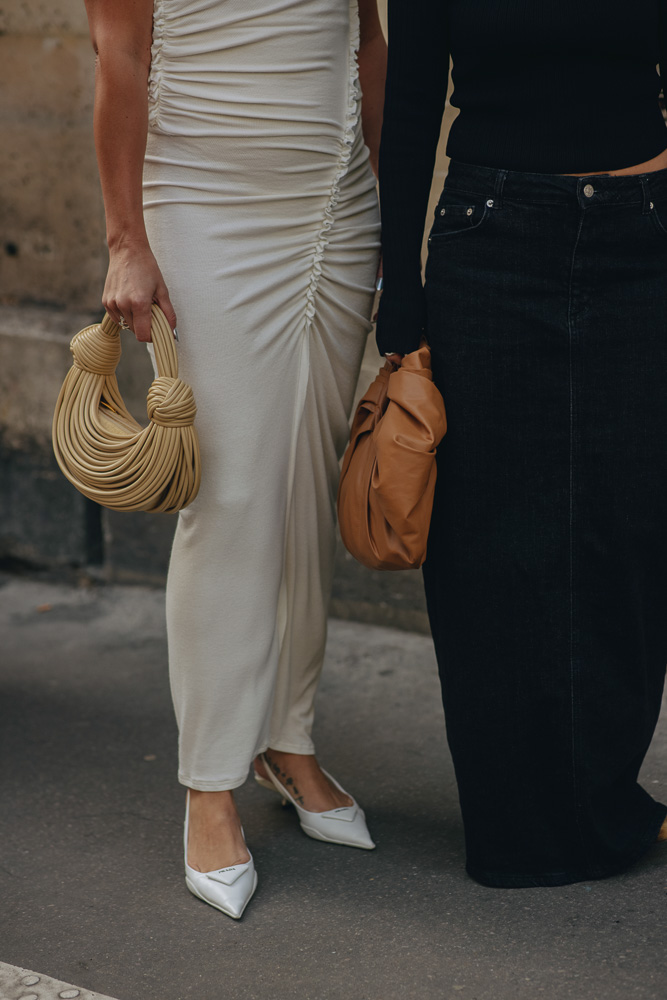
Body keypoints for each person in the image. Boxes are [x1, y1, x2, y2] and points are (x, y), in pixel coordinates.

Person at [83, 0, 385, 917]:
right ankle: (209, 783)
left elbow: (364, 35)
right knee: (232, 494)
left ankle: (285, 742)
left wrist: (386, 187)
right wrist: (126, 241)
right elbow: (120, 56)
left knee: (303, 487)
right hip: (209, 204)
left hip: (340, 208)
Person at [377, 0, 667, 887]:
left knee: (627, 532)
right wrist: (401, 296)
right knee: (489, 549)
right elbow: (411, 106)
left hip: (643, 240)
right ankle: (515, 824)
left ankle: (604, 799)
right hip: (491, 240)